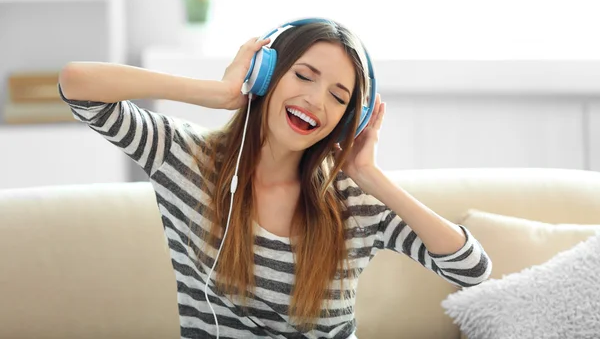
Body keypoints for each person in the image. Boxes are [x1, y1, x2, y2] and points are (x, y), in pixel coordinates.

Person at [57, 18, 492, 339]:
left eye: (338, 97)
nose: (315, 101)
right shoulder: (185, 158)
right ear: (266, 74)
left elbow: (472, 270)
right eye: (303, 76)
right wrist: (220, 93)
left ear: (347, 121)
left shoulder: (354, 202)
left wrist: (369, 175)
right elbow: (78, 84)